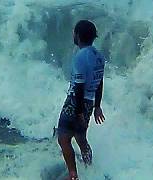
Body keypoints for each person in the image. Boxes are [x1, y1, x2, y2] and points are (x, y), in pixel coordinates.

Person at [57, 20, 106, 180]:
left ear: (78, 35)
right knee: (81, 138)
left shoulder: (80, 56)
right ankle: (89, 170)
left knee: (63, 138)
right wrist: (97, 106)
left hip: (75, 102)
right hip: (89, 103)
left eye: (74, 32)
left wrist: (77, 112)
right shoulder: (99, 56)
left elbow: (78, 87)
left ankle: (73, 175)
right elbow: (99, 83)